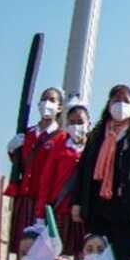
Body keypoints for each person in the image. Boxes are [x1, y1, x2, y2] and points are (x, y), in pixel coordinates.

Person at [73, 84, 130, 260]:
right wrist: (77, 203)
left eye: (125, 101)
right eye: (116, 100)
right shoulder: (97, 134)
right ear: (108, 104)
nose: (120, 105)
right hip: (97, 209)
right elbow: (83, 170)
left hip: (127, 211)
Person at [6, 87, 65, 254]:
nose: (47, 103)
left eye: (52, 100)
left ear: (59, 107)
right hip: (25, 198)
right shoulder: (28, 134)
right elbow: (21, 164)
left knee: (42, 251)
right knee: (22, 247)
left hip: (46, 203)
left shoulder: (61, 137)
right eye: (44, 99)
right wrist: (11, 150)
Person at [34, 100, 90, 251]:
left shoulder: (95, 149)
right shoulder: (59, 148)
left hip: (87, 215)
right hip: (61, 212)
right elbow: (46, 181)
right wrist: (40, 214)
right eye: (72, 122)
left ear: (88, 124)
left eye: (80, 121)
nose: (76, 125)